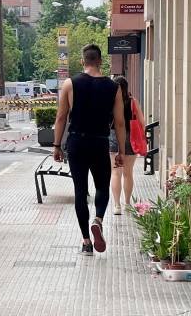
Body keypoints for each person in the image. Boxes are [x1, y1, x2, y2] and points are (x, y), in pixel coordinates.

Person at [53, 45, 126, 255]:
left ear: (83, 61)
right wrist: (121, 151)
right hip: (100, 142)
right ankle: (98, 219)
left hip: (77, 142)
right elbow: (120, 123)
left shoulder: (70, 84)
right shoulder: (114, 88)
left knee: (80, 191)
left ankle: (86, 241)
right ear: (100, 61)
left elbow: (61, 117)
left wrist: (57, 145)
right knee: (102, 186)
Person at [109, 76, 142, 215]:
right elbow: (142, 121)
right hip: (130, 138)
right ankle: (127, 204)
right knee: (128, 173)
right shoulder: (133, 102)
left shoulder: (109, 102)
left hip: (113, 137)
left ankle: (117, 206)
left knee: (115, 173)